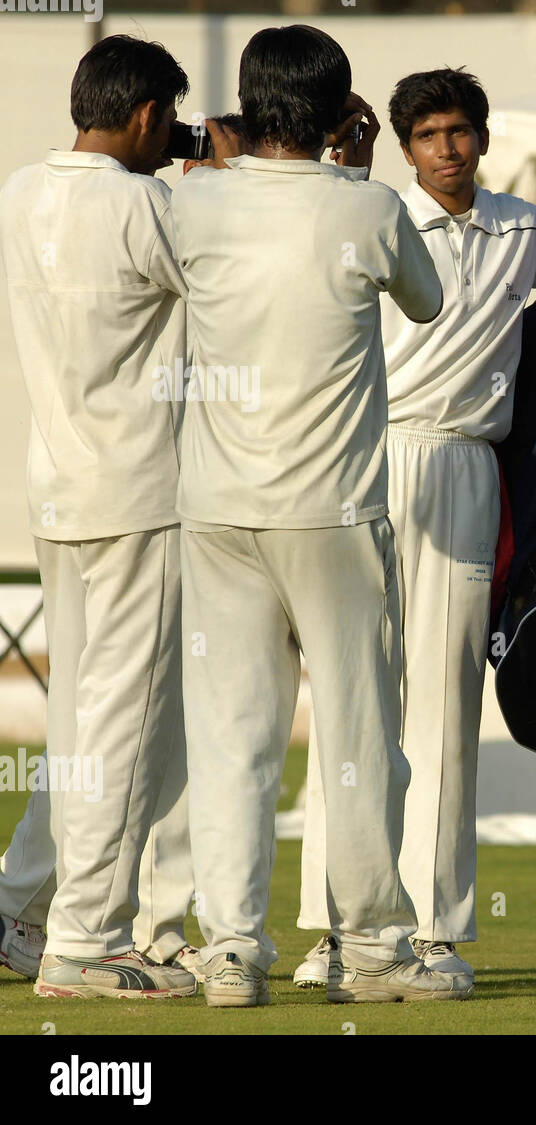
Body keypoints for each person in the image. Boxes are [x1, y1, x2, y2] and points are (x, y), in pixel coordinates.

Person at [292, 67, 536, 996]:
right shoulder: (371, 217)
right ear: (405, 145)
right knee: (355, 701)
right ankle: (339, 928)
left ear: (483, 135)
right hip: (367, 458)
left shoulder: (524, 229)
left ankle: (433, 933)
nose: (449, 149)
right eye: (429, 133)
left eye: (461, 130)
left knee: (442, 705)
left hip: (468, 464)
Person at [171, 24, 445, 1007]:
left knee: (232, 735)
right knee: (359, 736)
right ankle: (371, 950)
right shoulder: (367, 206)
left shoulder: (191, 204)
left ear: (250, 108)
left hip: (217, 512)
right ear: (340, 114)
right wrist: (357, 173)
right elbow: (426, 299)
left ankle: (233, 952)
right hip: (332, 512)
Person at [0, 34, 197, 998]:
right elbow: (225, 286)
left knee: (79, 725)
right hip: (142, 493)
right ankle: (89, 942)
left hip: (59, 484)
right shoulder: (152, 203)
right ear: (150, 115)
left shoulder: (18, 189)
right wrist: (228, 176)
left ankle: (18, 912)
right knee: (129, 720)